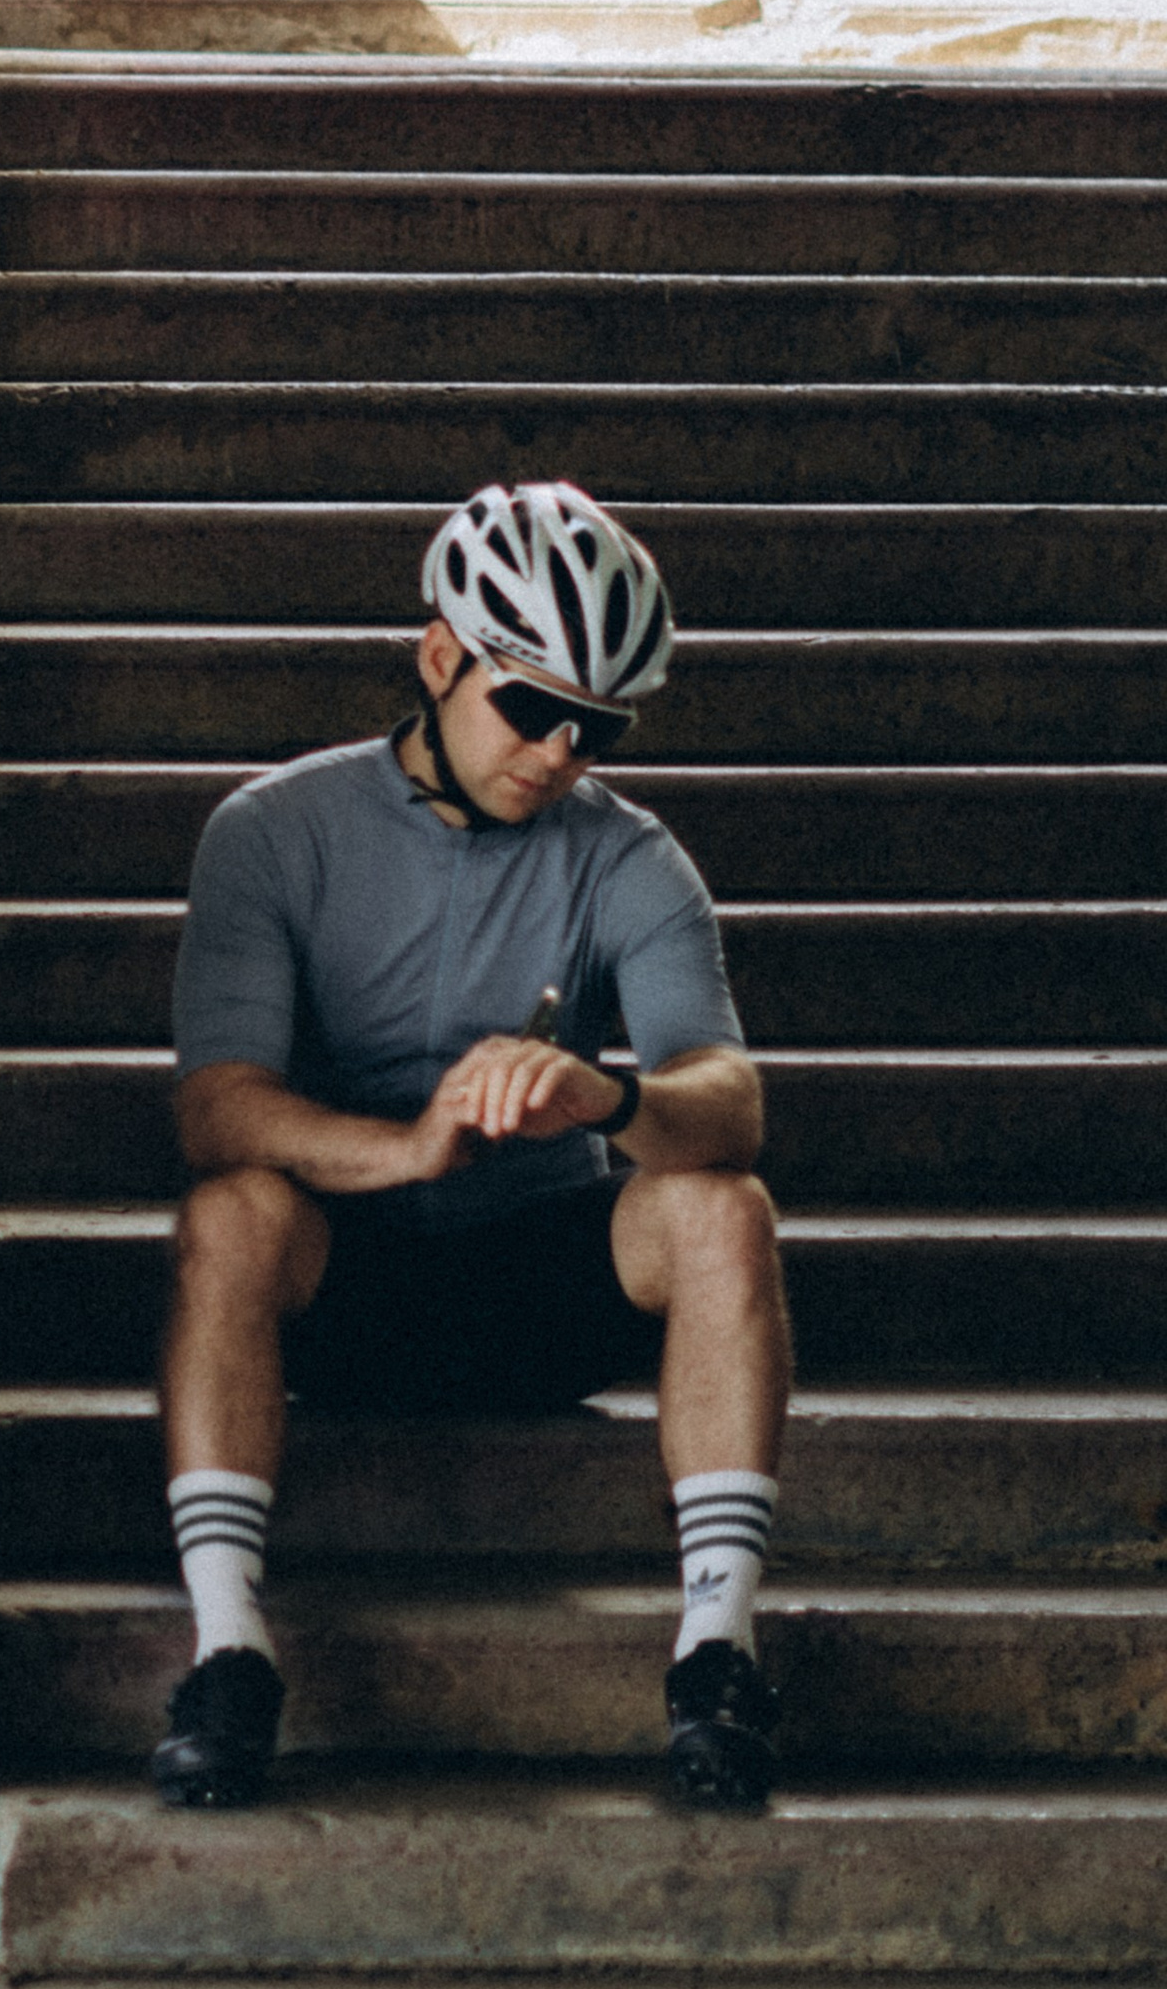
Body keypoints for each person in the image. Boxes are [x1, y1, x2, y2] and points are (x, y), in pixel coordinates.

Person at [155, 481, 791, 1815]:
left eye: (597, 722)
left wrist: (607, 1105)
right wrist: (407, 1146)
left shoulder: (632, 858)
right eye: (528, 705)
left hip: (543, 1281)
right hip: (347, 1277)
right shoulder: (272, 833)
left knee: (723, 1207)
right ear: (440, 656)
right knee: (229, 1212)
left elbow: (727, 1102)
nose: (561, 750)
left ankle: (717, 1657)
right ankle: (227, 1656)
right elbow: (217, 1107)